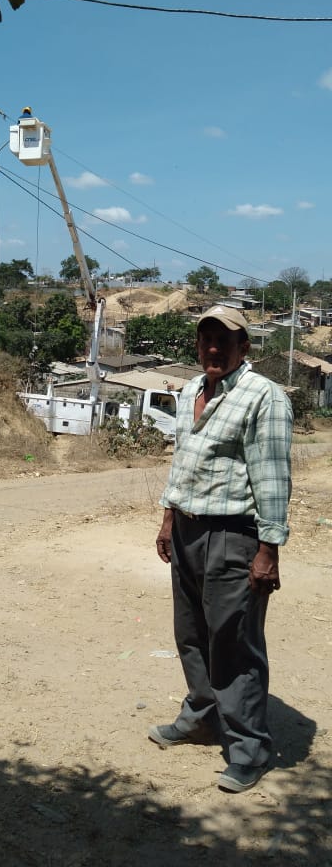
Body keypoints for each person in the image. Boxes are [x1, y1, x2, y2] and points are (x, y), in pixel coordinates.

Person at [149, 304, 292, 794]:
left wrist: (269, 549)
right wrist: (168, 518)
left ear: (243, 346)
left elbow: (272, 477)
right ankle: (202, 718)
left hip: (234, 536)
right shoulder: (192, 388)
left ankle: (249, 749)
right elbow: (183, 462)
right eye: (205, 339)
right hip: (188, 531)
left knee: (234, 643)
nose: (212, 348)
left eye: (223, 341)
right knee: (191, 634)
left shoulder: (263, 397)